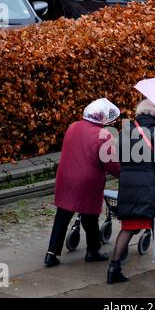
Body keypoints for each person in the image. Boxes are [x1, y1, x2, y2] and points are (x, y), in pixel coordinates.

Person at [107, 98, 155, 284]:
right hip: (150, 188)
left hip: (128, 185)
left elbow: (118, 157)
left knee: (129, 227)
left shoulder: (126, 130)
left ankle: (113, 268)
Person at [44, 98, 121, 267]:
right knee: (90, 216)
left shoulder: (73, 127)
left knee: (62, 216)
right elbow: (111, 163)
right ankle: (92, 250)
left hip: (66, 178)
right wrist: (123, 174)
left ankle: (51, 253)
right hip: (87, 182)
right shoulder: (104, 135)